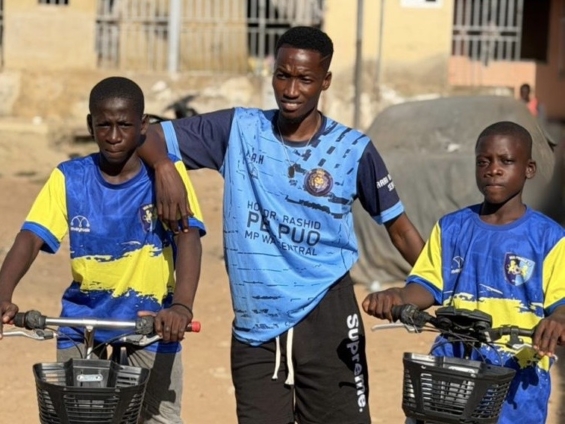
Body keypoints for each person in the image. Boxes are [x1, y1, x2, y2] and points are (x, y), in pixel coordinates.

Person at [138, 26, 424, 424]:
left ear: (325, 81)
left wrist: (438, 284)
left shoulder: (352, 150)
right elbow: (146, 135)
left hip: (328, 316)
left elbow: (400, 229)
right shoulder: (238, 130)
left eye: (305, 79)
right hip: (256, 325)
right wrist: (164, 166)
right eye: (282, 75)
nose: (291, 90)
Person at [0, 76, 206, 424]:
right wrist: (3, 294)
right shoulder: (70, 177)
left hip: (151, 322)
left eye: (124, 125)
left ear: (143, 125)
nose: (113, 136)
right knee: (75, 414)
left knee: (159, 417)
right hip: (82, 321)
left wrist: (182, 306)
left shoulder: (165, 178)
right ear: (89, 125)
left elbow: (188, 238)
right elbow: (30, 237)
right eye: (104, 125)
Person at [362, 121, 565, 424]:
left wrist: (558, 320)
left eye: (506, 161)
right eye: (483, 161)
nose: (493, 170)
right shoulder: (451, 228)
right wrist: (397, 297)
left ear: (529, 169)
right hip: (452, 374)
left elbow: (561, 304)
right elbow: (426, 285)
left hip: (517, 383)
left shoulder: (549, 238)